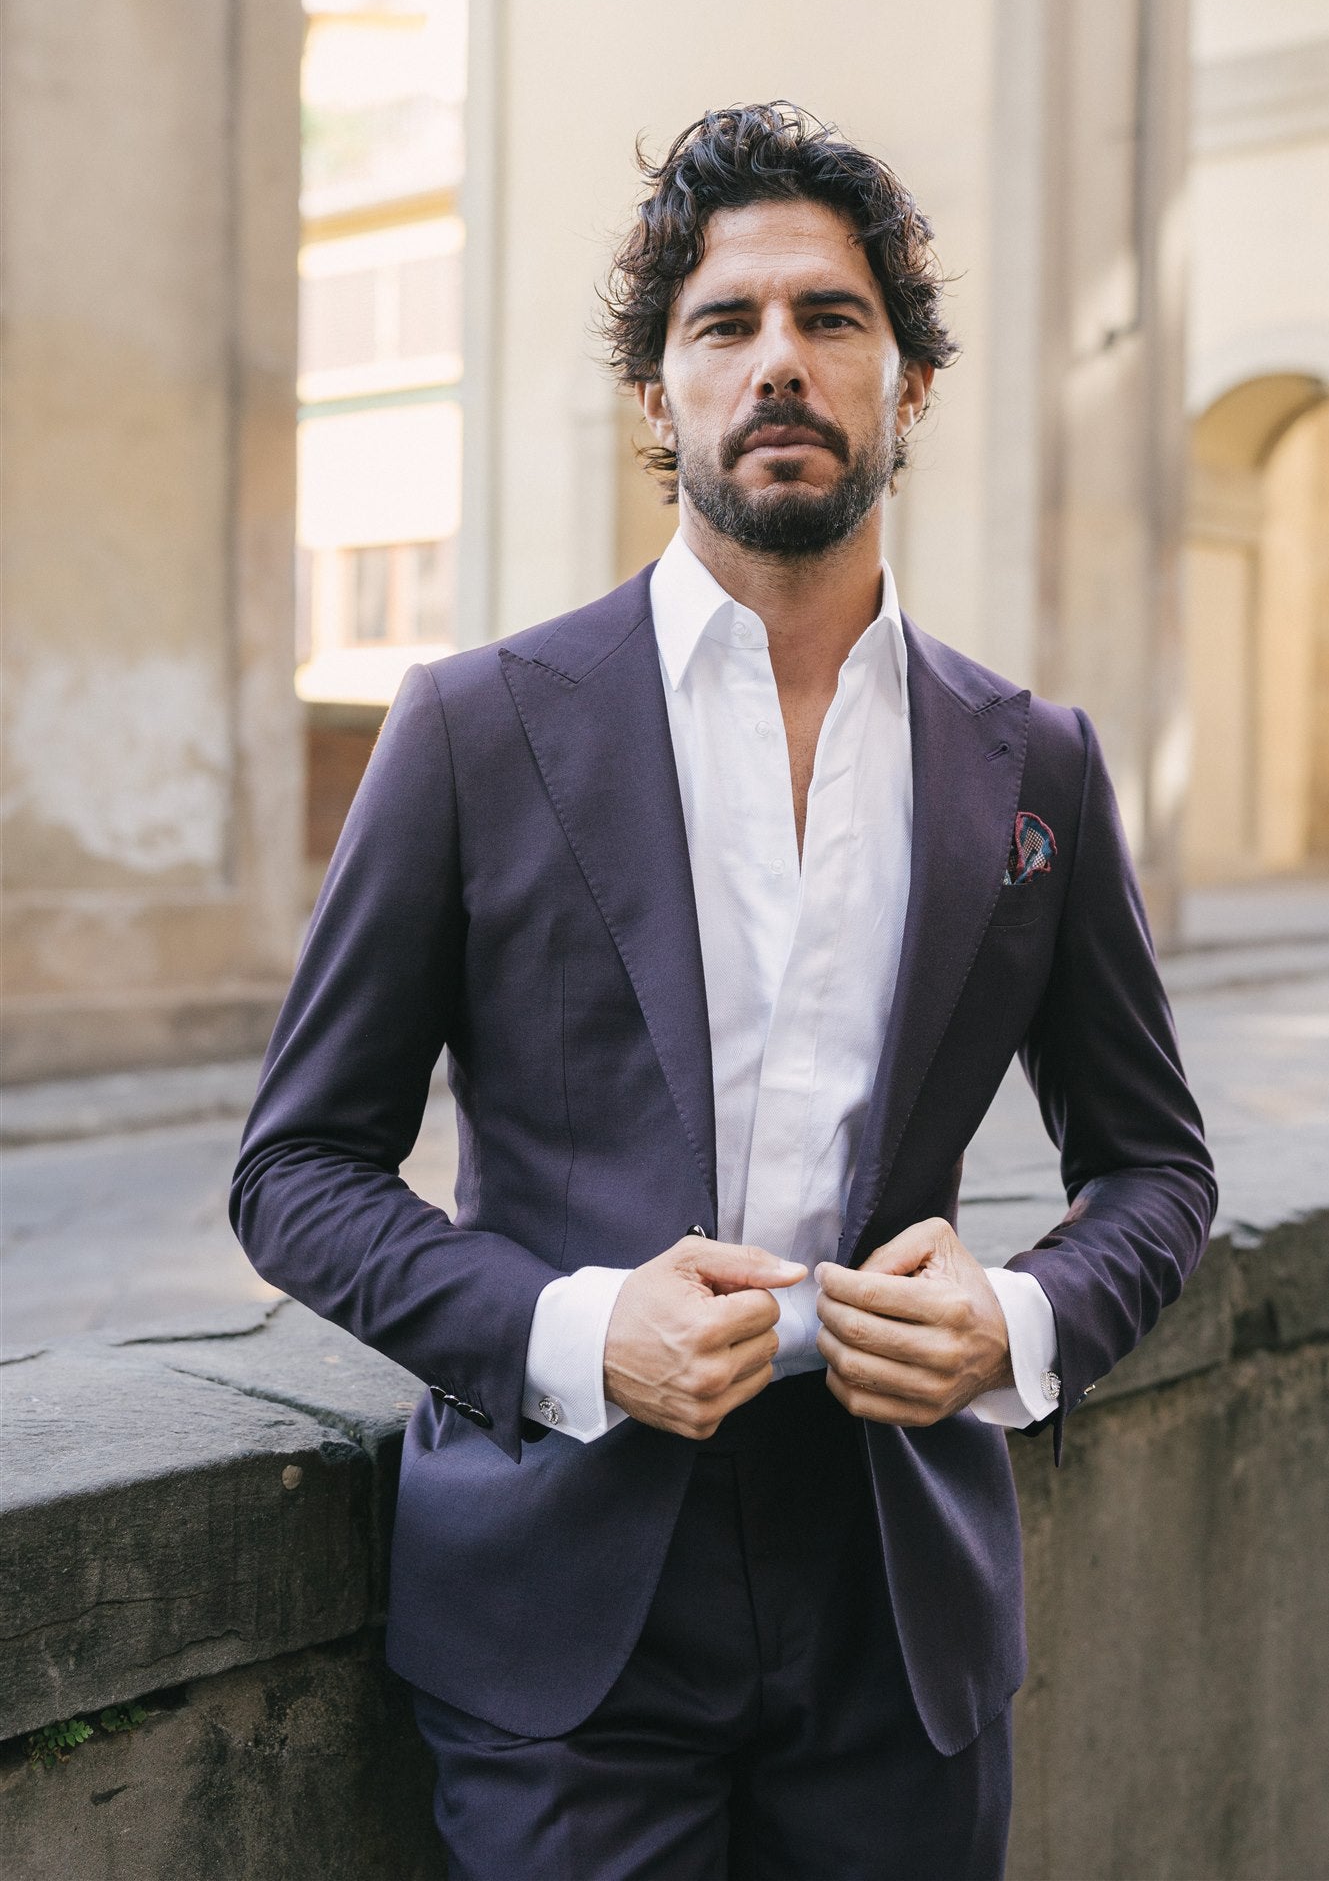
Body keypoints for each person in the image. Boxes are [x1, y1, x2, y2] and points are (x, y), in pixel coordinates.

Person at [231, 102, 1216, 1880]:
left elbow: (1155, 1169)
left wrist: (1021, 1320)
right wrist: (574, 1330)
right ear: (658, 389)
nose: (779, 361)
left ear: (908, 386)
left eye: (831, 319)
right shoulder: (473, 729)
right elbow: (296, 1172)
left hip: (898, 1612)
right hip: (565, 1605)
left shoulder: (1035, 767)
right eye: (724, 323)